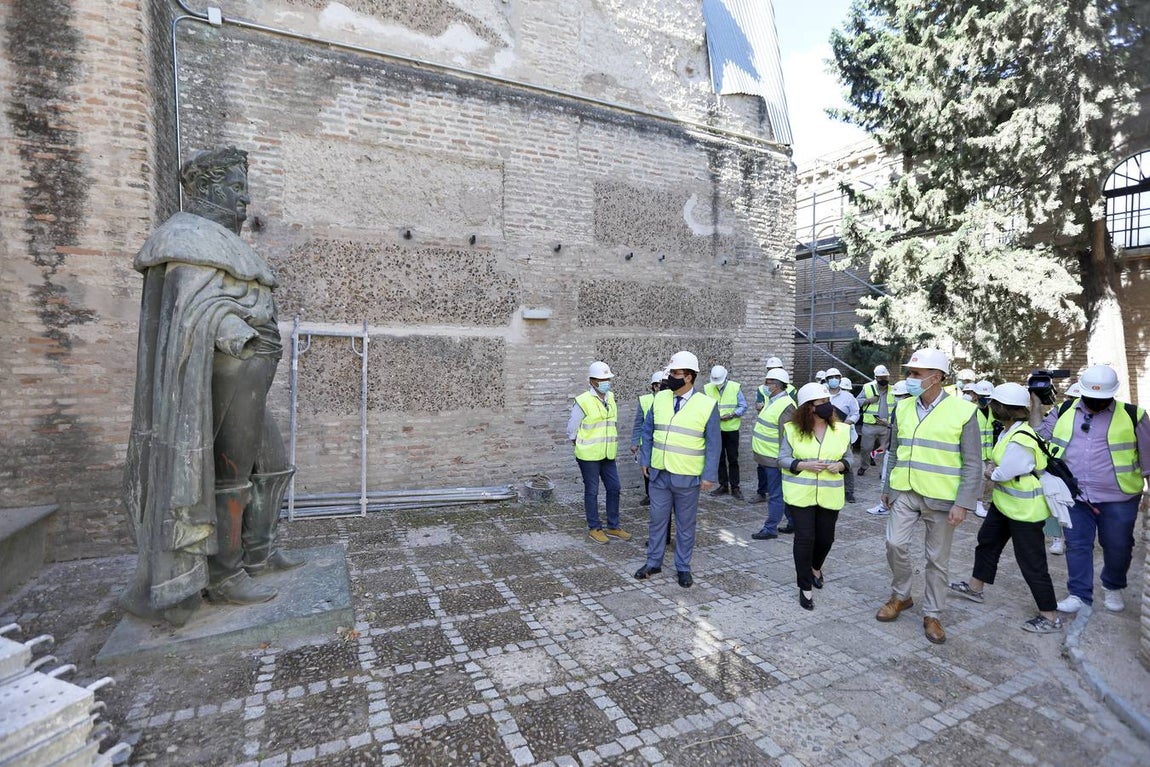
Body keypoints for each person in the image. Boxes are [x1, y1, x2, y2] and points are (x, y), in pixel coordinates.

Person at [121, 147, 304, 628]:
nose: (245, 201)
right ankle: (224, 575)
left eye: (245, 189)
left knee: (273, 463)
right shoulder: (184, 238)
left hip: (253, 371)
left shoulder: (224, 243)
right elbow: (187, 312)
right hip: (227, 367)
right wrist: (228, 328)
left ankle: (261, 552)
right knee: (231, 470)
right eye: (236, 188)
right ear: (205, 188)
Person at [876, 349, 983, 644]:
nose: (909, 378)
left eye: (915, 374)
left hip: (942, 500)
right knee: (894, 543)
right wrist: (887, 487)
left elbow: (973, 462)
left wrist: (963, 503)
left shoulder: (963, 412)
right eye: (909, 372)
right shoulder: (904, 408)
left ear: (936, 379)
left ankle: (933, 613)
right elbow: (895, 451)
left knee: (937, 559)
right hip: (905, 491)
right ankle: (901, 596)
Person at [948, 383, 1062, 633]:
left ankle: (1050, 615)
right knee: (987, 541)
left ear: (1003, 409)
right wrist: (994, 470)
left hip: (1024, 511)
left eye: (994, 404)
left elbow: (1004, 471)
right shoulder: (1009, 430)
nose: (990, 407)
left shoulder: (1020, 438)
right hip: (1004, 505)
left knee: (1031, 562)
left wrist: (992, 472)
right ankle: (975, 588)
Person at [1039, 365, 1149, 614]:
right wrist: (1036, 402)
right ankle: (1079, 594)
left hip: (1119, 497)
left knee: (1118, 545)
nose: (1095, 403)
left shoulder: (1134, 415)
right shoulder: (1065, 410)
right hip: (1074, 495)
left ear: (1112, 395)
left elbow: (1148, 458)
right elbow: (1039, 434)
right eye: (1091, 398)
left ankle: (1113, 586)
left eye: (1102, 399)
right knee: (1077, 545)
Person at [635, 351, 721, 588]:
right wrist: (645, 459)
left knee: (685, 525)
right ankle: (653, 562)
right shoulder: (660, 398)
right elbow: (648, 430)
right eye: (670, 372)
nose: (669, 377)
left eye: (675, 373)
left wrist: (709, 475)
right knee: (656, 520)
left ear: (689, 377)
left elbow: (714, 443)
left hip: (687, 476)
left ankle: (683, 567)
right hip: (659, 473)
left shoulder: (706, 405)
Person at [779, 383, 851, 610]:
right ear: (808, 408)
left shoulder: (841, 430)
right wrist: (803, 464)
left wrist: (842, 465)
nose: (827, 407)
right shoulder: (792, 429)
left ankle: (816, 567)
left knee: (826, 539)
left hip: (830, 495)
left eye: (827, 402)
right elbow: (781, 458)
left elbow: (850, 458)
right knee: (804, 539)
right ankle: (805, 588)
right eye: (821, 404)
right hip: (800, 495)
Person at [568, 361, 631, 544]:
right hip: (588, 455)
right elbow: (572, 427)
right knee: (592, 491)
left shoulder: (610, 397)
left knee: (614, 488)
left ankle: (613, 525)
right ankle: (595, 528)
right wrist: (577, 442)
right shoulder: (583, 401)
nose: (606, 382)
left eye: (608, 379)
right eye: (602, 379)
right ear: (592, 381)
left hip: (607, 453)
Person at [751, 368, 797, 537]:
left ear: (776, 386)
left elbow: (787, 438)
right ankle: (793, 523)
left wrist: (782, 459)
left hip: (774, 459)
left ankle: (770, 529)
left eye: (767, 382)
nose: (764, 385)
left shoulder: (786, 406)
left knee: (775, 494)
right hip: (766, 457)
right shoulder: (772, 400)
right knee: (780, 493)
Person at [866, 380, 912, 516]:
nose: (898, 398)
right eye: (897, 396)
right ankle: (885, 504)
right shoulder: (898, 410)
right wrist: (884, 445)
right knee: (886, 478)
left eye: (901, 396)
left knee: (895, 478)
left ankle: (889, 505)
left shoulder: (910, 411)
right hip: (893, 450)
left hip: (903, 452)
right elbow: (893, 432)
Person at [1047, 380, 1081, 555]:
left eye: (1076, 398)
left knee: (1073, 507)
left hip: (1077, 469)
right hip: (1058, 467)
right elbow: (1043, 431)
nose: (1072, 401)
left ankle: (1071, 538)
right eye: (1070, 397)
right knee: (1053, 502)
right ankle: (1056, 538)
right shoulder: (1061, 410)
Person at [705, 365, 747, 499]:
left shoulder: (735, 387)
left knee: (733, 459)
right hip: (716, 430)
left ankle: (735, 487)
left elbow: (743, 406)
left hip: (731, 429)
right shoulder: (708, 388)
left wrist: (732, 415)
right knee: (720, 458)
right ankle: (723, 485)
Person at [631, 370, 667, 506]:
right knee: (647, 469)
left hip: (662, 441)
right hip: (647, 442)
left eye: (661, 385)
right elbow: (638, 423)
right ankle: (649, 495)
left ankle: (661, 493)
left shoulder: (670, 400)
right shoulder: (645, 400)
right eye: (656, 385)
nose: (659, 388)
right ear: (653, 386)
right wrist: (634, 442)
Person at [826, 369, 860, 503]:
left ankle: (849, 491)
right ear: (827, 380)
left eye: (836, 377)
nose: (833, 379)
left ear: (840, 379)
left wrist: (846, 423)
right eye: (831, 377)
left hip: (844, 434)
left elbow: (856, 413)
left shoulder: (848, 397)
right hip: (826, 433)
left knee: (846, 462)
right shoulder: (822, 394)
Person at [858, 365, 895, 477]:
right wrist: (869, 400)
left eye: (885, 377)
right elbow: (856, 402)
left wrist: (890, 423)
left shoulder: (893, 390)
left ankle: (882, 471)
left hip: (887, 426)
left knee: (886, 451)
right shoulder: (868, 387)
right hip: (870, 425)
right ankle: (864, 466)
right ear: (876, 377)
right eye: (880, 378)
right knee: (865, 449)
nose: (883, 380)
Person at [969, 380, 995, 518]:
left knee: (990, 479)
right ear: (976, 395)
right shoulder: (970, 410)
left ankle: (984, 501)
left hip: (989, 452)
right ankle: (977, 503)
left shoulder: (993, 411)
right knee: (981, 478)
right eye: (982, 396)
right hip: (974, 451)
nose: (985, 400)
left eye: (987, 397)